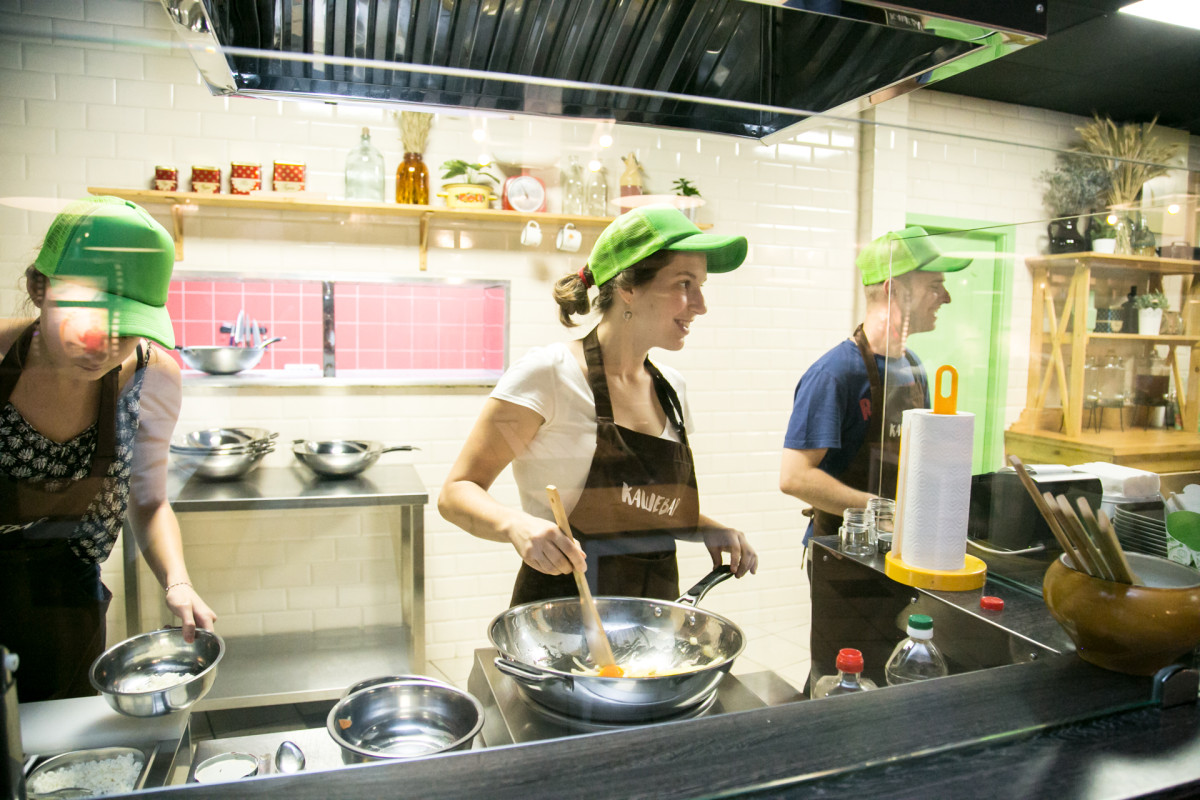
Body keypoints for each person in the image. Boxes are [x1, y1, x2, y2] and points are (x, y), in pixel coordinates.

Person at [440, 205, 758, 605]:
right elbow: (456, 492)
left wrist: (705, 527)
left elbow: (639, 508)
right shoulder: (550, 375)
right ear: (628, 288)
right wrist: (515, 525)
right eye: (684, 283)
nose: (700, 304)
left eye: (701, 286)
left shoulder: (671, 390)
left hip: (651, 614)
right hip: (561, 616)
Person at [0, 196, 217, 702]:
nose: (103, 344)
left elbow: (149, 500)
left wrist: (178, 582)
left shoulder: (151, 377)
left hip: (67, 608)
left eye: (127, 326)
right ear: (38, 287)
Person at [780, 226, 971, 545]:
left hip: (900, 544)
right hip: (844, 551)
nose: (946, 298)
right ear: (893, 290)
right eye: (935, 286)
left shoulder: (913, 367)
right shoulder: (835, 373)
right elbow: (794, 477)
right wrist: (882, 511)